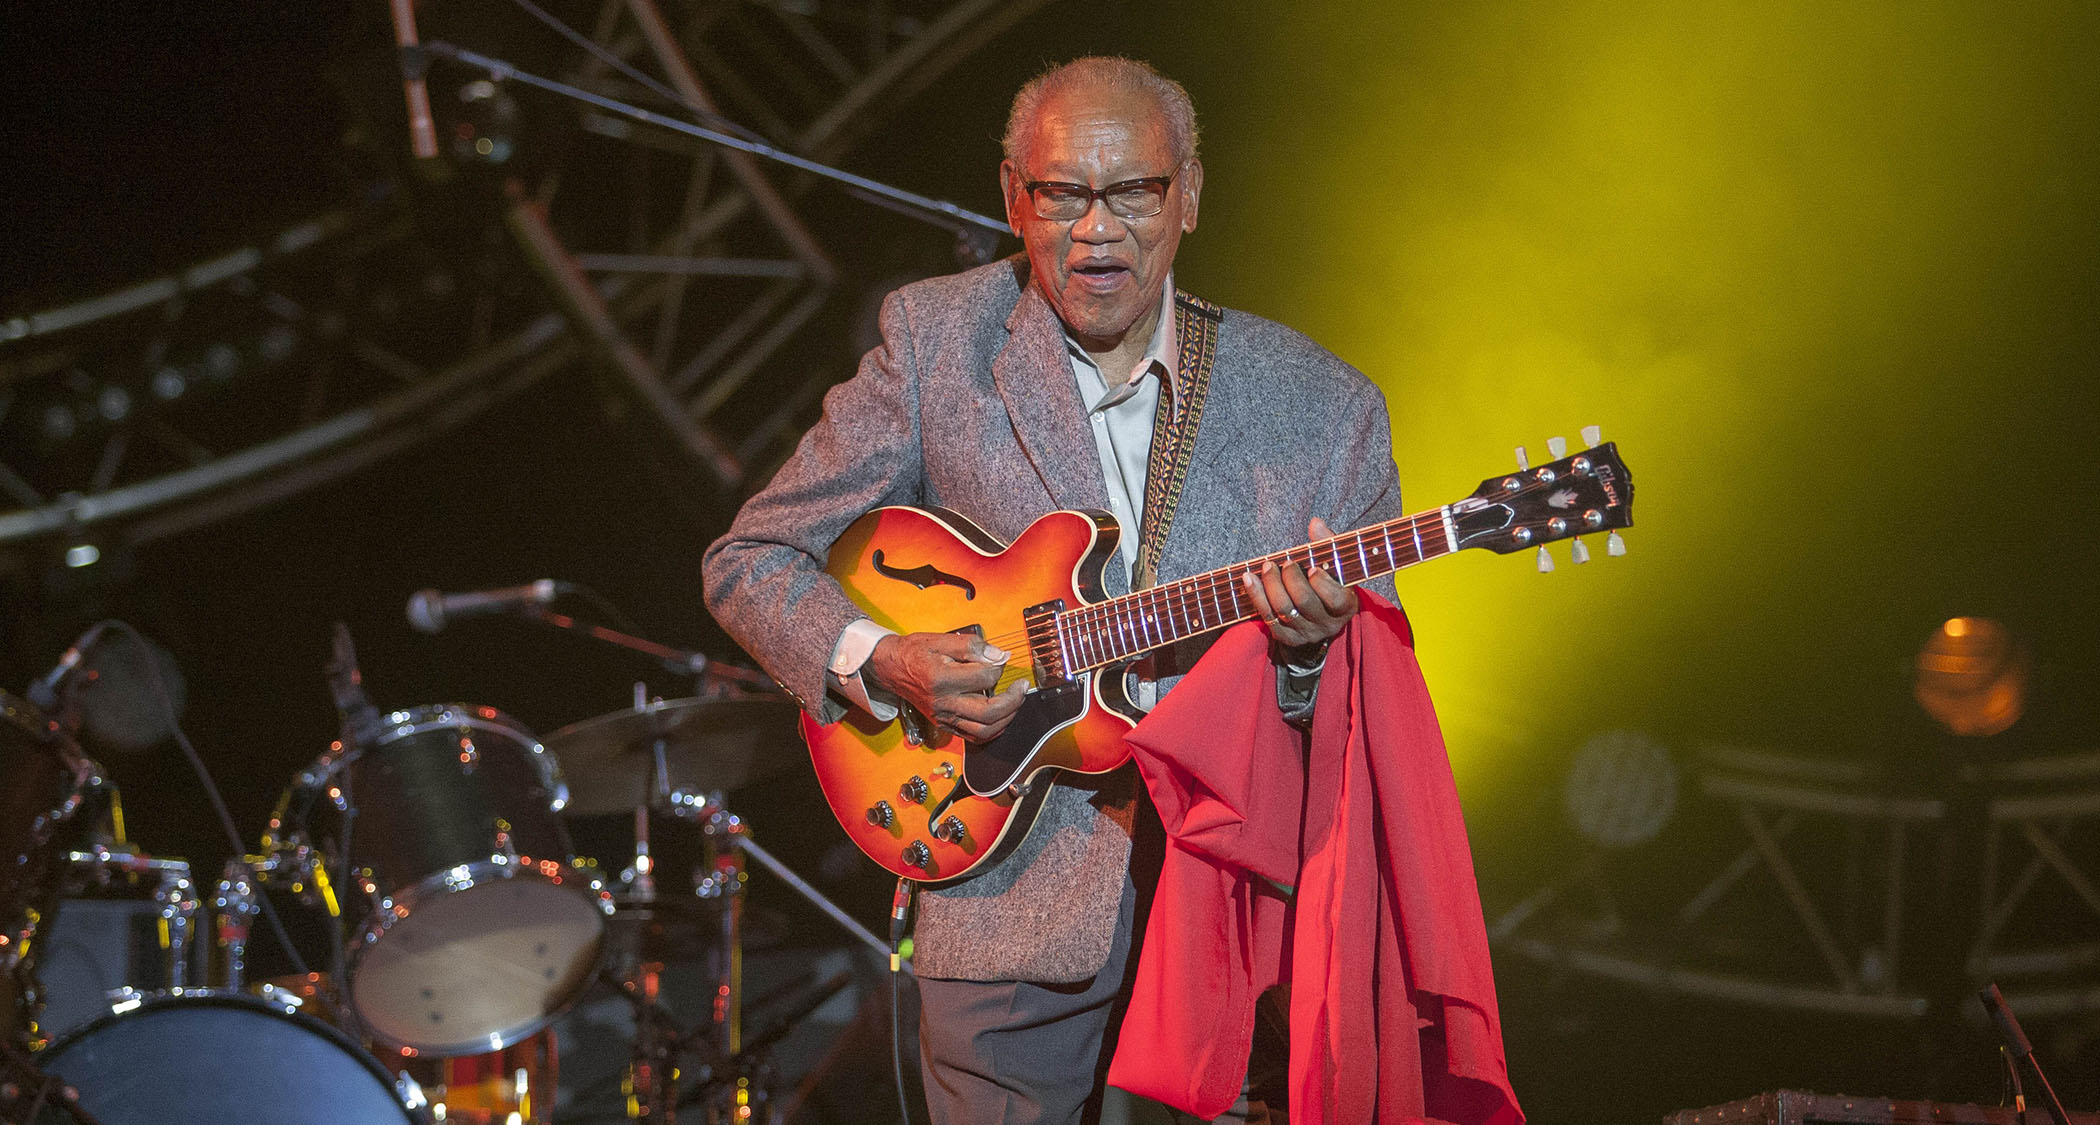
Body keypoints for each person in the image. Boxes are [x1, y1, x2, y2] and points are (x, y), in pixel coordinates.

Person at [703, 56, 1402, 1123]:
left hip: (1238, 901)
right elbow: (750, 561)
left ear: (1193, 194)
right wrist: (884, 660)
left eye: (1135, 191)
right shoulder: (939, 341)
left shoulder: (1321, 407)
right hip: (1001, 883)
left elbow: (1367, 725)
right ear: (1011, 199)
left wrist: (1306, 655)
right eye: (1063, 193)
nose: (1098, 229)